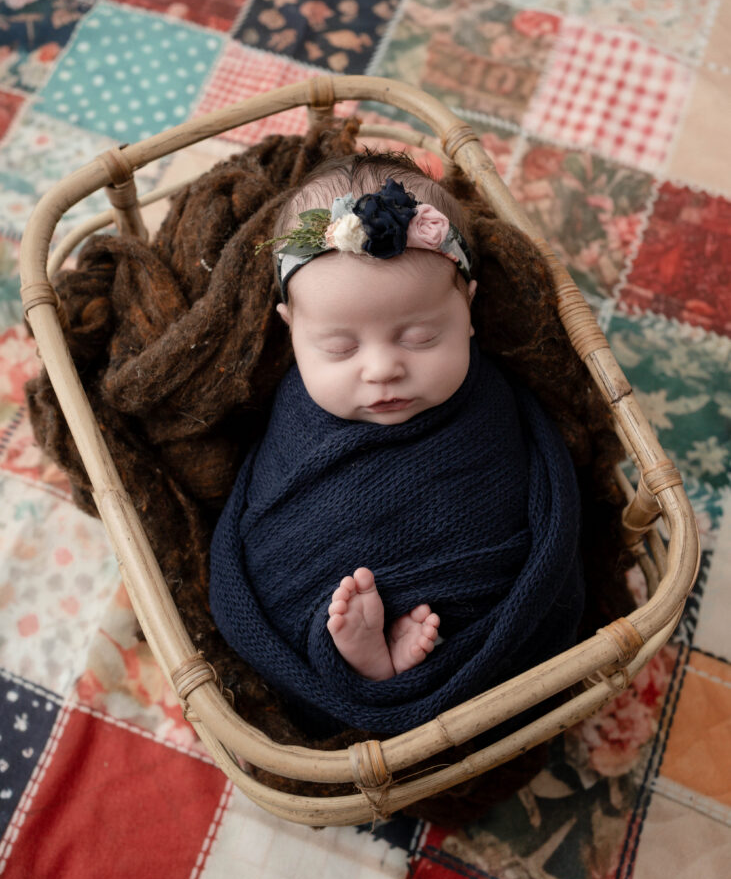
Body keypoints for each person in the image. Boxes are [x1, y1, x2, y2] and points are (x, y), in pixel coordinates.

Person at [209, 151, 584, 735]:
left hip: (477, 625)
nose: (382, 369)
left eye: (421, 337)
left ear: (469, 309)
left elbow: (527, 493)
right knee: (298, 580)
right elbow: (267, 508)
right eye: (339, 348)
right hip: (308, 599)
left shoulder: (489, 400)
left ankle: (397, 668)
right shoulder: (295, 410)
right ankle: (359, 664)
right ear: (290, 327)